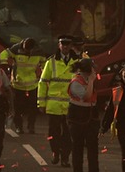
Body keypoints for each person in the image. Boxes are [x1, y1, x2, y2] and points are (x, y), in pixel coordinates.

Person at [39, 35, 80, 166]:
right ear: (59, 45)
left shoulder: (78, 62)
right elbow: (43, 83)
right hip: (54, 105)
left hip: (71, 105)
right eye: (63, 44)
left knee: (69, 134)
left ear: (71, 45)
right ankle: (55, 152)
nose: (66, 46)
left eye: (68, 44)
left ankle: (65, 157)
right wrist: (41, 103)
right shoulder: (50, 62)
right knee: (53, 133)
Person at [0, 37, 43, 134]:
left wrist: (42, 74)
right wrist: (4, 65)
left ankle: (31, 126)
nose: (26, 51)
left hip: (33, 84)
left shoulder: (38, 51)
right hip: (18, 84)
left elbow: (44, 62)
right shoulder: (16, 48)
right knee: (18, 107)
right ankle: (19, 126)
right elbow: (3, 54)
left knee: (33, 108)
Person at [67, 58, 100, 172]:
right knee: (78, 147)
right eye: (93, 69)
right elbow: (86, 96)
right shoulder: (76, 82)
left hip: (91, 117)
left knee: (93, 148)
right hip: (77, 118)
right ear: (88, 70)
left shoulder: (87, 80)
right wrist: (91, 81)